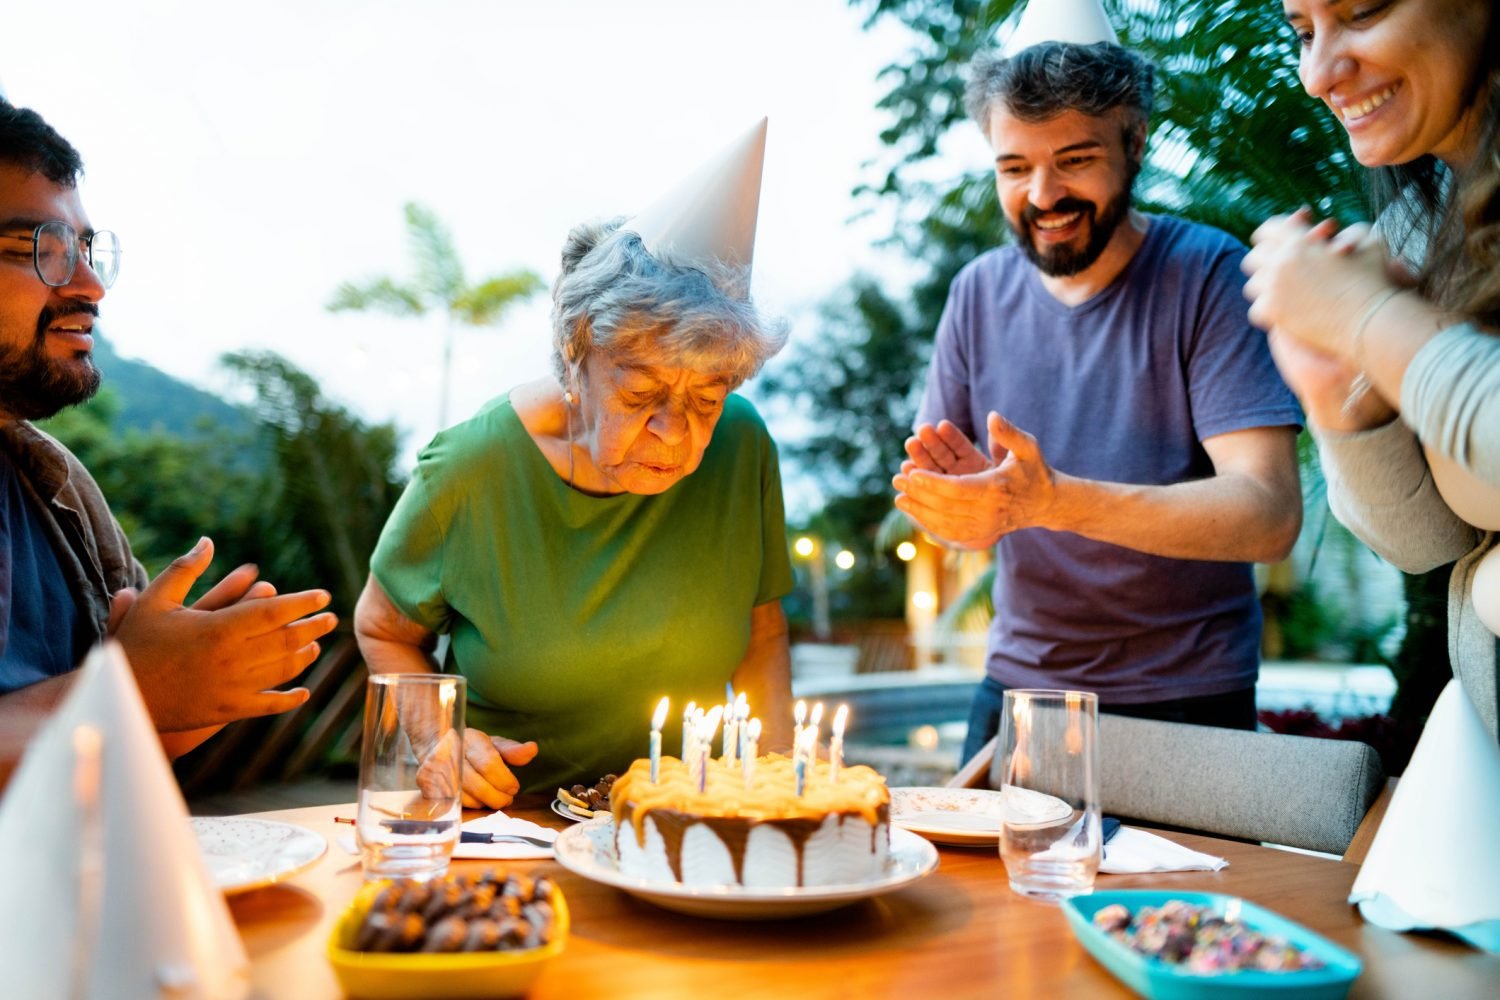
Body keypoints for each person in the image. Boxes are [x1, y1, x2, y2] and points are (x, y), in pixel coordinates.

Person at [891, 3, 1304, 766]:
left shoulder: (1206, 274)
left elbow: (1269, 513)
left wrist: (1052, 501)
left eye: (1074, 159)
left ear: (1135, 141)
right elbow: (946, 511)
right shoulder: (976, 294)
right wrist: (963, 510)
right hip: (1019, 693)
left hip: (1190, 701)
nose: (1042, 195)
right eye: (1014, 168)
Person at [355, 122, 796, 808]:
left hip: (686, 829)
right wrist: (440, 737)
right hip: (511, 828)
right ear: (574, 356)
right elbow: (382, 629)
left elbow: (762, 636)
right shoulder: (468, 471)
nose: (673, 430)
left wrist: (777, 802)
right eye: (642, 392)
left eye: (706, 397)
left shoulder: (743, 446)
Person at [0, 99, 339, 763]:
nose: (91, 286)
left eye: (87, 251)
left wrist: (191, 685)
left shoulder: (52, 483)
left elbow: (99, 745)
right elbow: (107, 708)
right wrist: (124, 690)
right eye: (43, 250)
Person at [1243, 0, 1500, 739]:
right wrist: (1340, 400)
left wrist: (1368, 321)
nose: (1318, 72)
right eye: (1303, 32)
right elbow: (1427, 542)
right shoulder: (1417, 226)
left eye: (1361, 11)